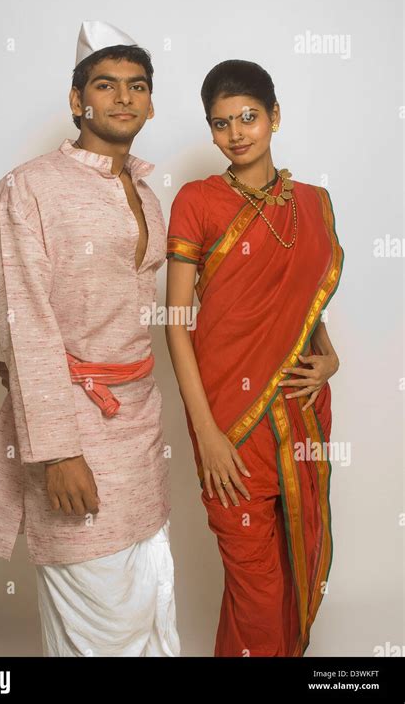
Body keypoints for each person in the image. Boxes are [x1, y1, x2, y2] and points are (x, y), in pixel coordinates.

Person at [0, 20, 180, 657]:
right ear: (76, 101)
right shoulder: (27, 188)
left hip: (140, 426)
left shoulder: (147, 190)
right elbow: (27, 325)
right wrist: (57, 453)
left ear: (150, 100)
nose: (123, 97)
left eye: (137, 86)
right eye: (105, 85)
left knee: (151, 604)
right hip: (74, 433)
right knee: (99, 621)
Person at [165, 59, 344, 657]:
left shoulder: (314, 204)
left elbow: (303, 307)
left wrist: (330, 358)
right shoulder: (196, 200)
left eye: (248, 118)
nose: (236, 133)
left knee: (289, 572)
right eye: (221, 124)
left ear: (274, 117)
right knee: (257, 587)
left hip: (298, 410)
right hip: (228, 423)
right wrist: (207, 434)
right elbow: (175, 325)